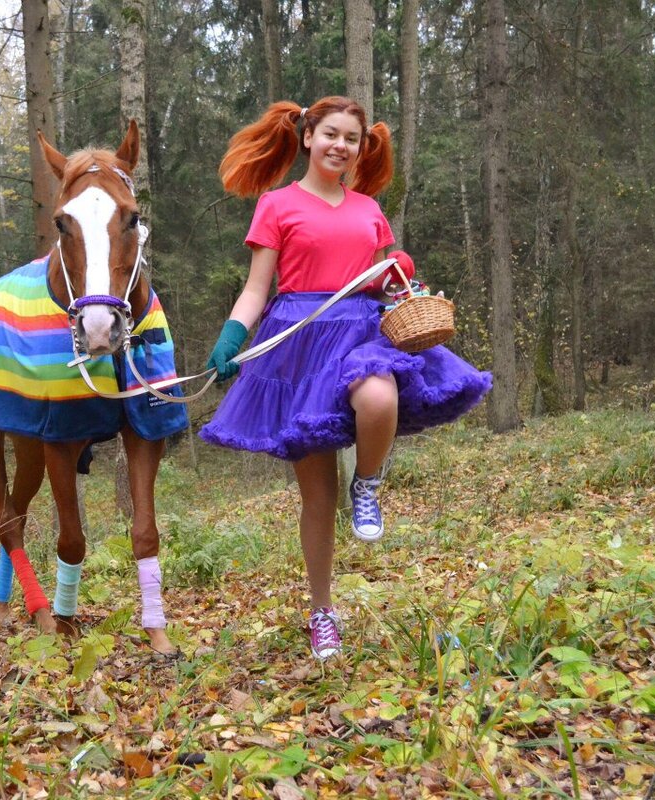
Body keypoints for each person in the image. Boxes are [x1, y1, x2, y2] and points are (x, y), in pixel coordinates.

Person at [200, 96, 492, 660]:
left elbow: (380, 281)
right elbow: (257, 287)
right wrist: (233, 336)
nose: (341, 145)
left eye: (351, 139)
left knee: (379, 395)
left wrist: (402, 281)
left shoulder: (369, 210)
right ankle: (322, 613)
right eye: (331, 134)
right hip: (300, 344)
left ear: (361, 147)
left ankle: (369, 483)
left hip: (360, 334)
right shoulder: (277, 204)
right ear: (308, 137)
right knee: (317, 497)